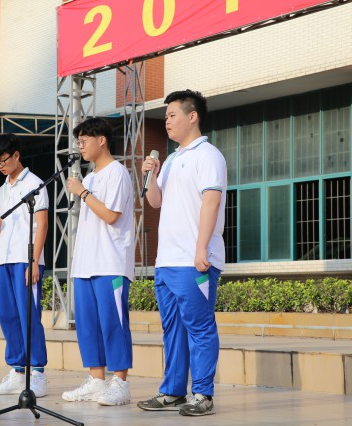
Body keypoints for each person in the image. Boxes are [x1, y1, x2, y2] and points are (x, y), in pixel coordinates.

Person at [138, 90, 227, 416]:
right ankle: (173, 391)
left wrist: (201, 249)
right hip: (167, 262)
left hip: (194, 260)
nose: (167, 121)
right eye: (165, 117)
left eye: (172, 115)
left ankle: (202, 393)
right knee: (172, 329)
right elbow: (155, 202)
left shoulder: (208, 156)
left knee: (200, 328)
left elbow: (211, 202)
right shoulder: (173, 159)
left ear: (192, 116)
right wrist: (151, 175)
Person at [63, 117, 134, 406]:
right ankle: (96, 380)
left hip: (110, 263)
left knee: (113, 323)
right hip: (86, 263)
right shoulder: (90, 177)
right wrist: (84, 189)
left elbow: (111, 215)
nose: (80, 147)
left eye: (84, 141)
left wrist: (82, 192)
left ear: (101, 140)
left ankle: (120, 383)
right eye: (78, 142)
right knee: (88, 326)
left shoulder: (117, 172)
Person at [0, 134, 49, 398]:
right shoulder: (3, 189)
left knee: (28, 315)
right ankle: (17, 371)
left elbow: (41, 225)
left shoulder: (35, 184)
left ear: (17, 155)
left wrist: (34, 261)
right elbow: (8, 225)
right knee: (8, 316)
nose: (0, 166)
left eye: (3, 160)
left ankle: (38, 373)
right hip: (3, 257)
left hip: (25, 258)